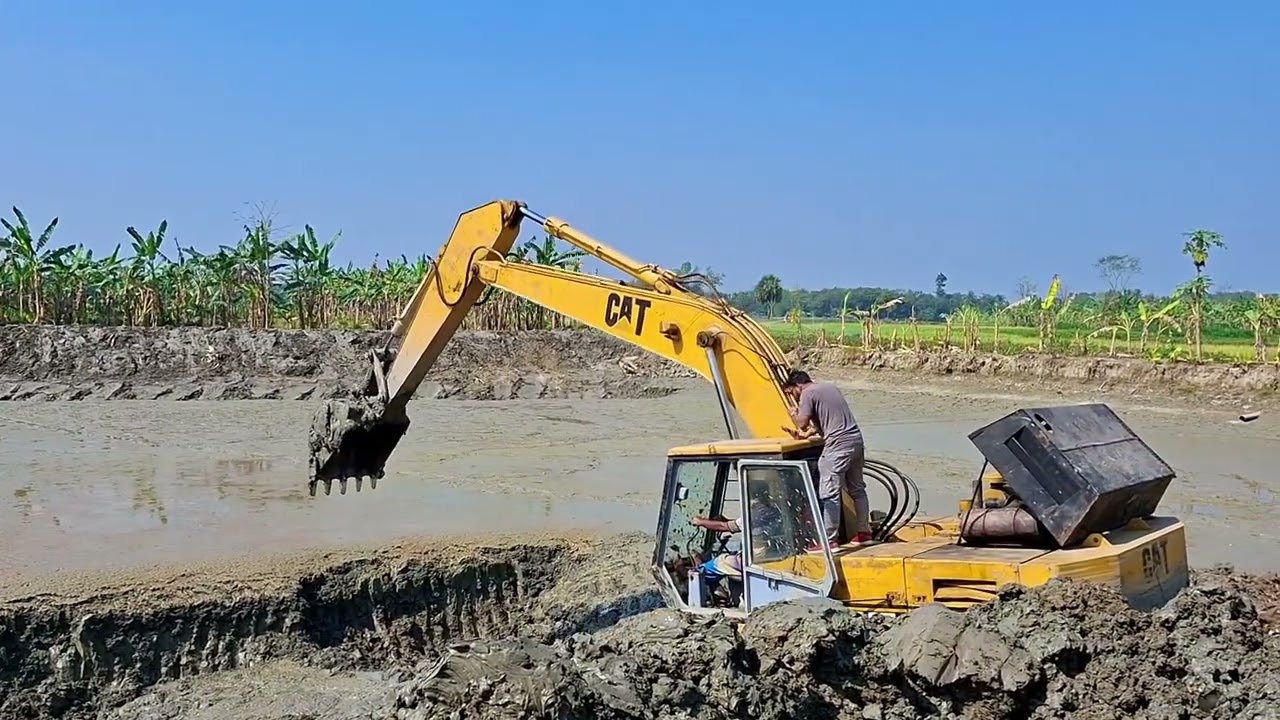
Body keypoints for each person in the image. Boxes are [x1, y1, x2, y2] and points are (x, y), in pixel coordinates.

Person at [781, 368, 872, 547]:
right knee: (857, 489)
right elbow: (828, 419)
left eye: (791, 393)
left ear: (797, 386)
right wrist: (806, 436)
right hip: (855, 441)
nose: (794, 398)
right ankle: (864, 533)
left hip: (837, 446)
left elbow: (802, 422)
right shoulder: (829, 388)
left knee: (829, 493)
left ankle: (829, 539)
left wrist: (793, 414)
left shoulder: (807, 393)